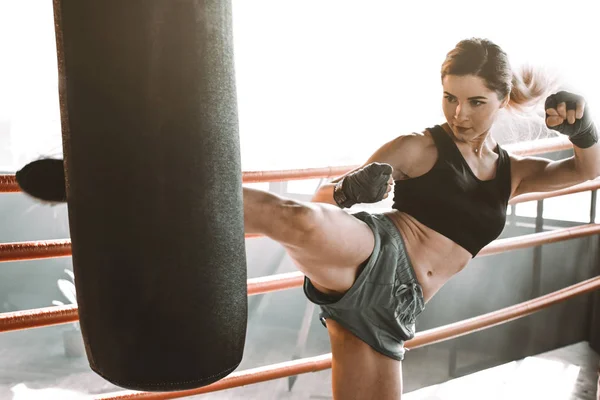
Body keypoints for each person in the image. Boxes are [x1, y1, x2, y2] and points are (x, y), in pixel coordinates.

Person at [15, 37, 600, 399]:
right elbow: (324, 199)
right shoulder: (421, 145)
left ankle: (127, 193)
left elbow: (581, 173)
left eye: (475, 101)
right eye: (449, 96)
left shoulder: (510, 171)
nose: (459, 113)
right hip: (373, 255)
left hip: (394, 312)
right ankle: (114, 185)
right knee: (291, 216)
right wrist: (351, 189)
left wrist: (583, 129)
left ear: (501, 101)